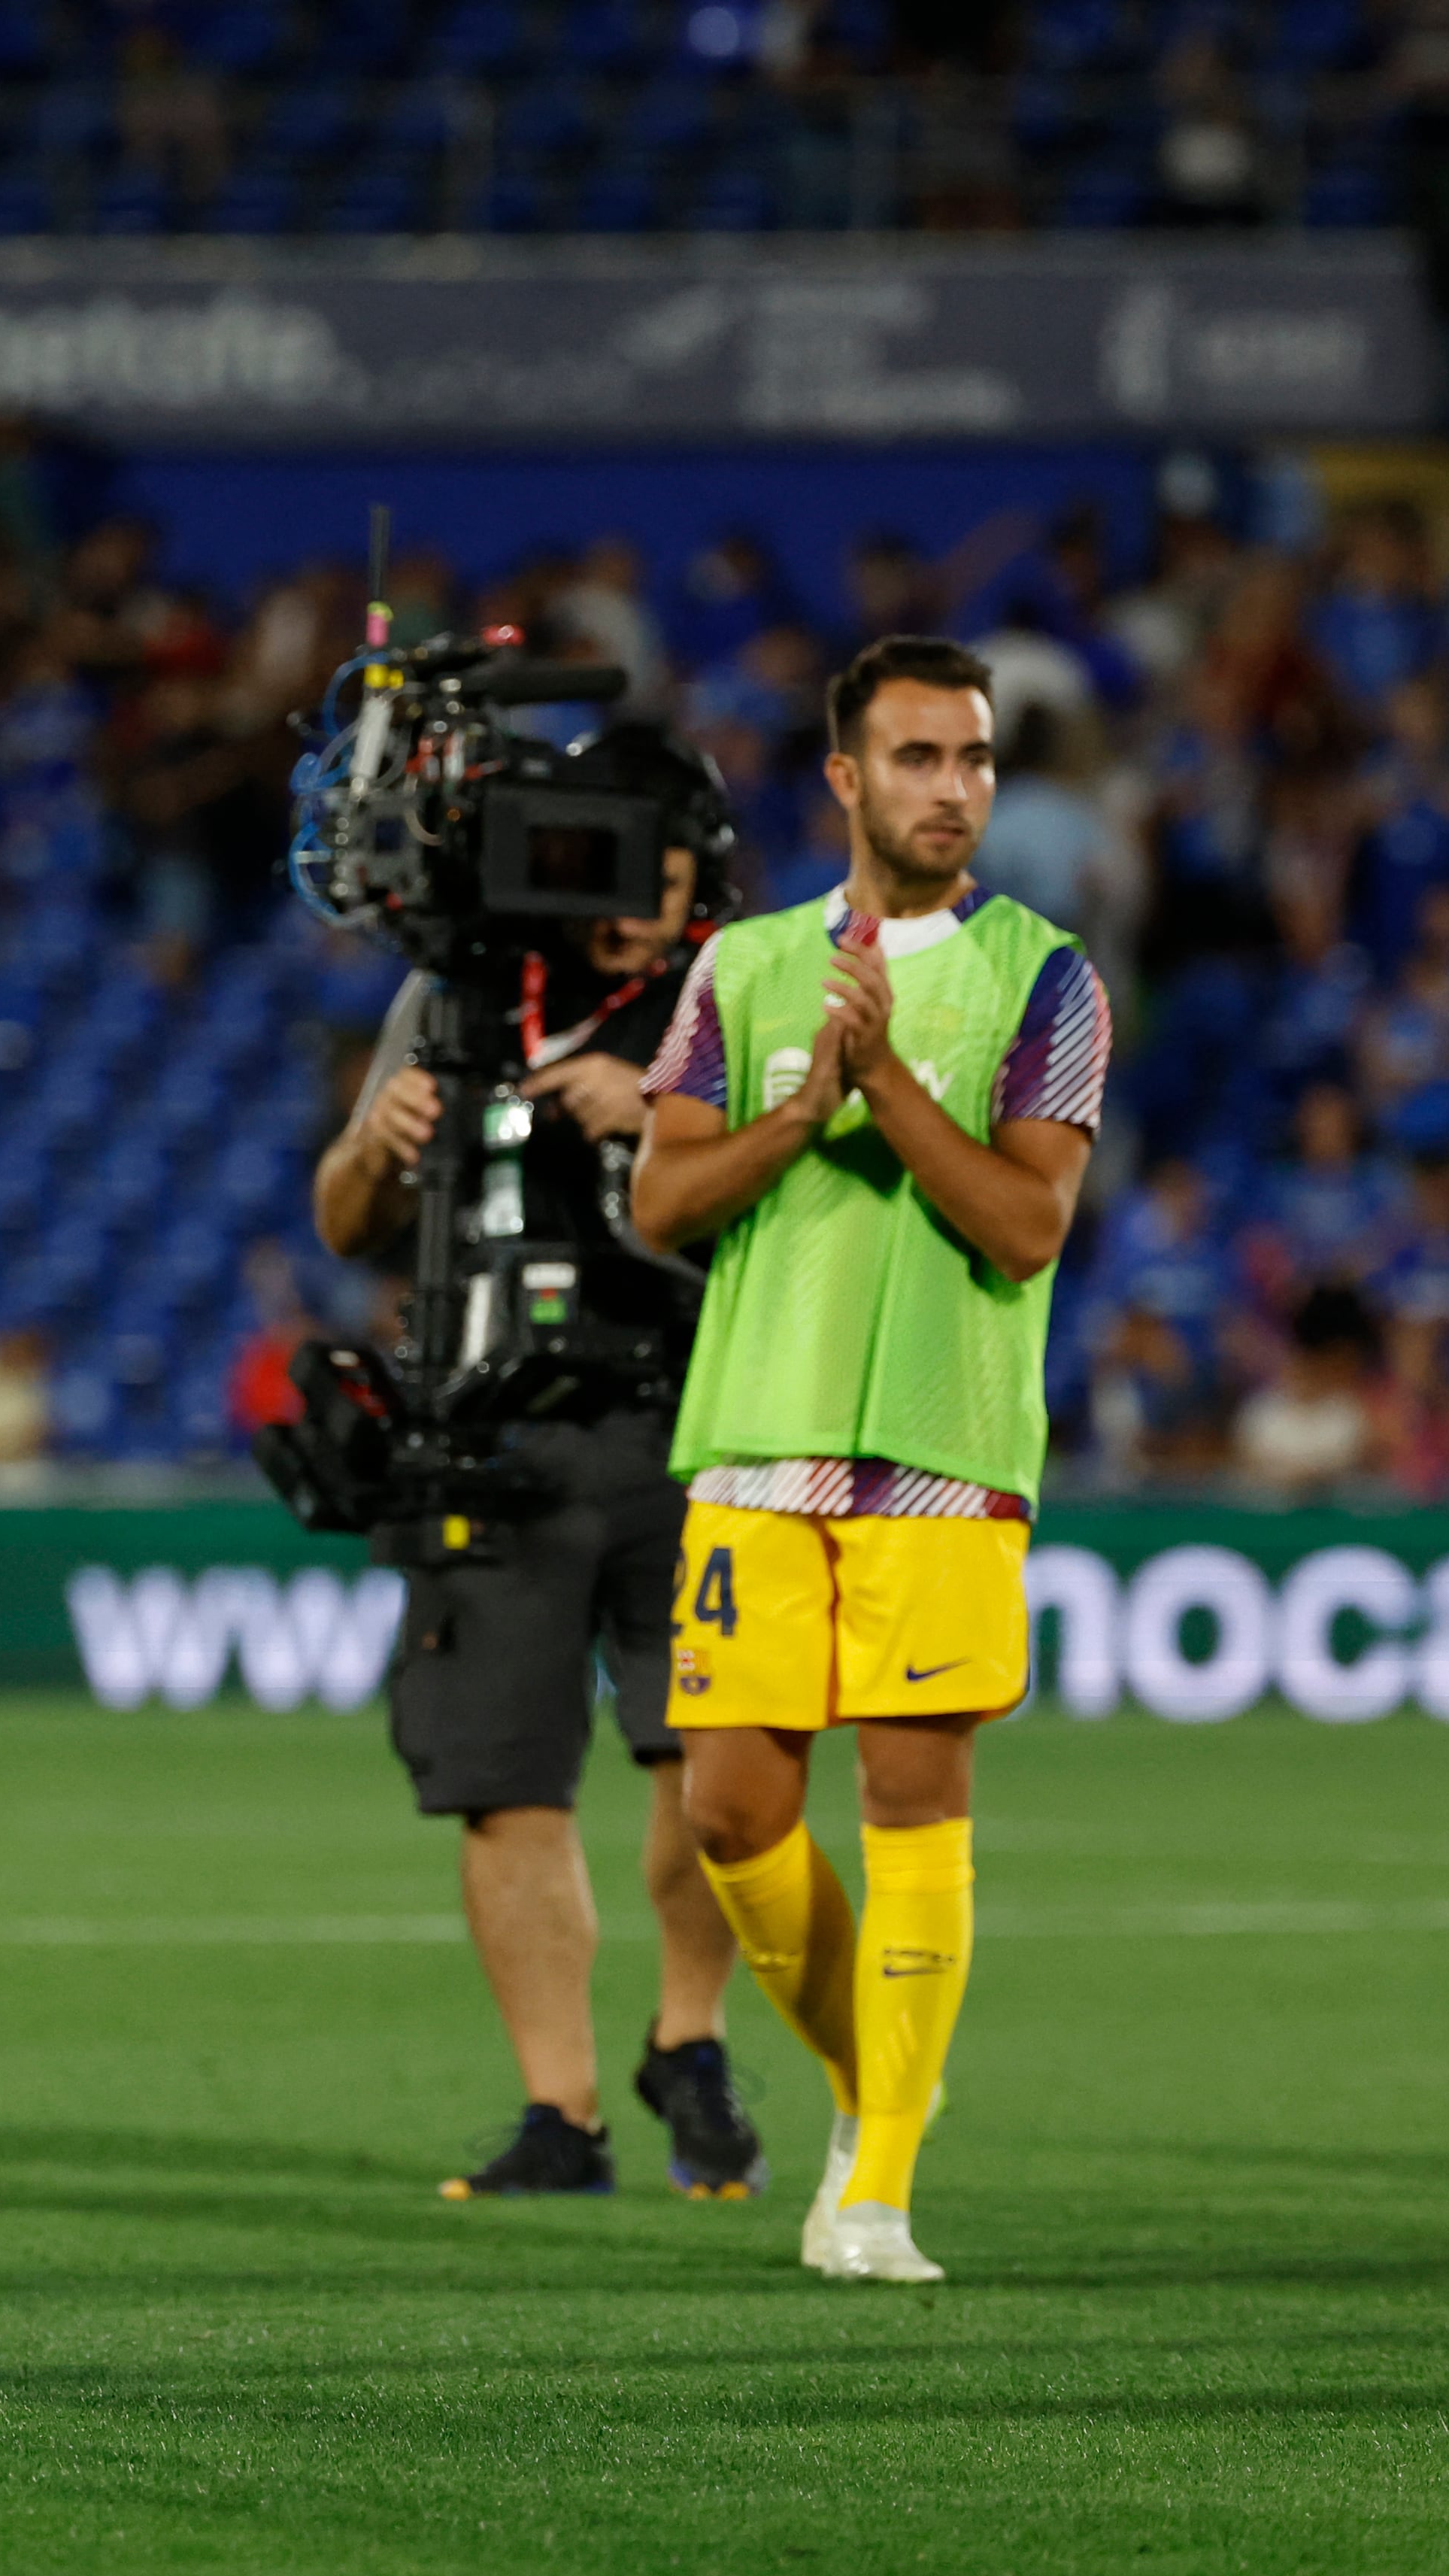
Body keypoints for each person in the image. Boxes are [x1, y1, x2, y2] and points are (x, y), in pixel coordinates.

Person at [631, 636, 1109, 2286]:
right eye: (915, 757)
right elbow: (659, 1200)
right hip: (754, 1436)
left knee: (913, 1787)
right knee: (730, 1809)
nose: (951, 787)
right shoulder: (744, 968)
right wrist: (798, 1110)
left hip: (942, 1441)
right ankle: (873, 2079)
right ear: (845, 777)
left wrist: (888, 1083)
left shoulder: (1045, 976)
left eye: (972, 757)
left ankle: (877, 2188)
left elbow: (1026, 1224)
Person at [305, 727, 762, 2206]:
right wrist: (377, 1142)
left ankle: (685, 2034)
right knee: (504, 1785)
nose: (632, 899)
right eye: (602, 863)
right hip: (490, 1427)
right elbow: (339, 1217)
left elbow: (812, 1201)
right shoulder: (454, 991)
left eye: (663, 868)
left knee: (714, 1764)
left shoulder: (739, 994)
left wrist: (667, 1126)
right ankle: (557, 2110)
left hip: (702, 1415)